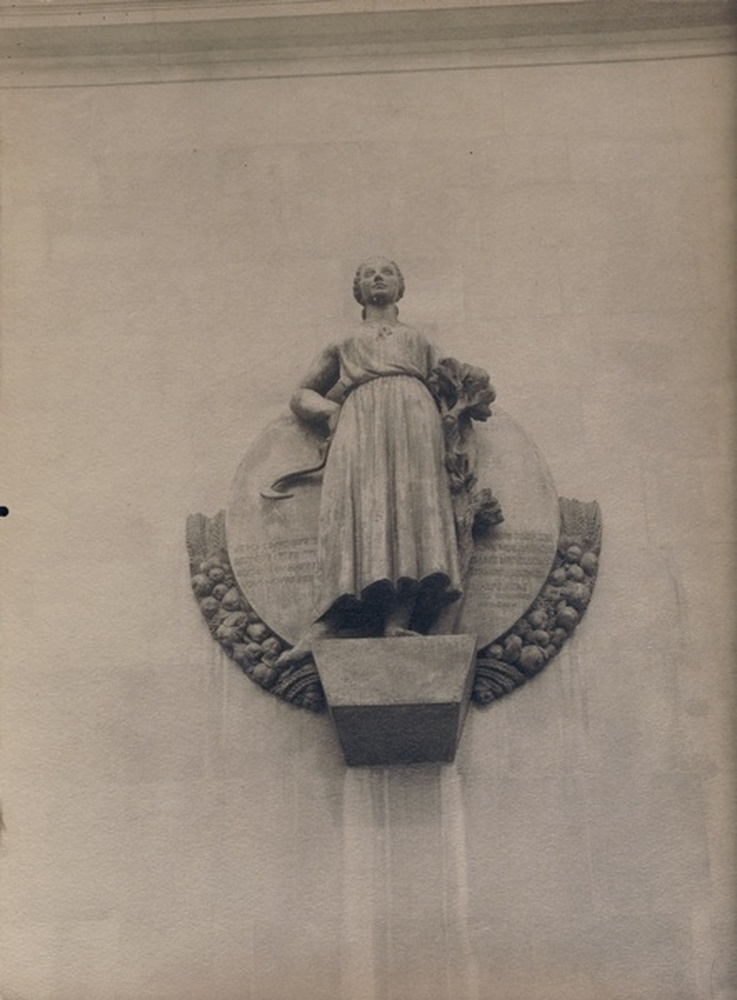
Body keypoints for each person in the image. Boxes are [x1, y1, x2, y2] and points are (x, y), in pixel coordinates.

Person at [276, 257, 462, 668]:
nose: (378, 277)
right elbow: (301, 394)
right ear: (358, 289)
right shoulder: (344, 342)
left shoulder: (420, 341)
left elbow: (456, 381)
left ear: (401, 286)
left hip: (415, 424)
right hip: (360, 423)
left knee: (410, 515)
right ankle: (326, 622)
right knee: (357, 514)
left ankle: (398, 619)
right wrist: (327, 412)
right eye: (367, 273)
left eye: (388, 272)